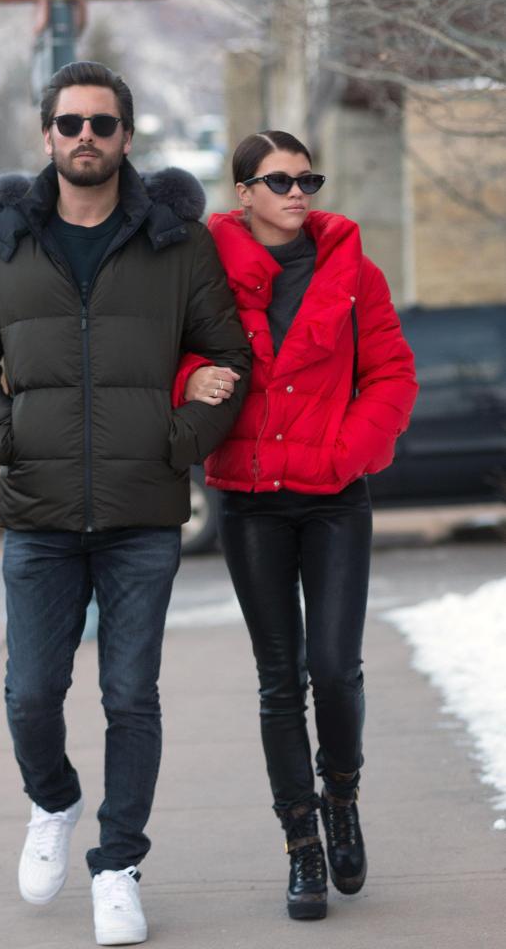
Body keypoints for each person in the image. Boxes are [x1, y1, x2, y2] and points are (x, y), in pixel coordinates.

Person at [0, 61, 249, 946]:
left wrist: (174, 440)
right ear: (47, 136)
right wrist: (1, 434)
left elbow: (231, 357)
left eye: (102, 125)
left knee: (129, 696)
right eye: (70, 123)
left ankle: (118, 867)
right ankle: (55, 802)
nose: (85, 137)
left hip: (141, 514)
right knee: (32, 694)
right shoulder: (2, 243)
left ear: (125, 136)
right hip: (38, 511)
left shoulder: (175, 244)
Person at [177, 130, 418, 921]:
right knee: (279, 678)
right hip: (250, 499)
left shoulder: (353, 271)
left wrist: (349, 452)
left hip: (334, 495)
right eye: (277, 180)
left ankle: (340, 793)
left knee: (335, 664)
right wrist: (192, 377)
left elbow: (390, 371)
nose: (296, 192)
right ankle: (302, 846)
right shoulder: (203, 270)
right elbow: (170, 354)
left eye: (306, 177)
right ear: (241, 191)